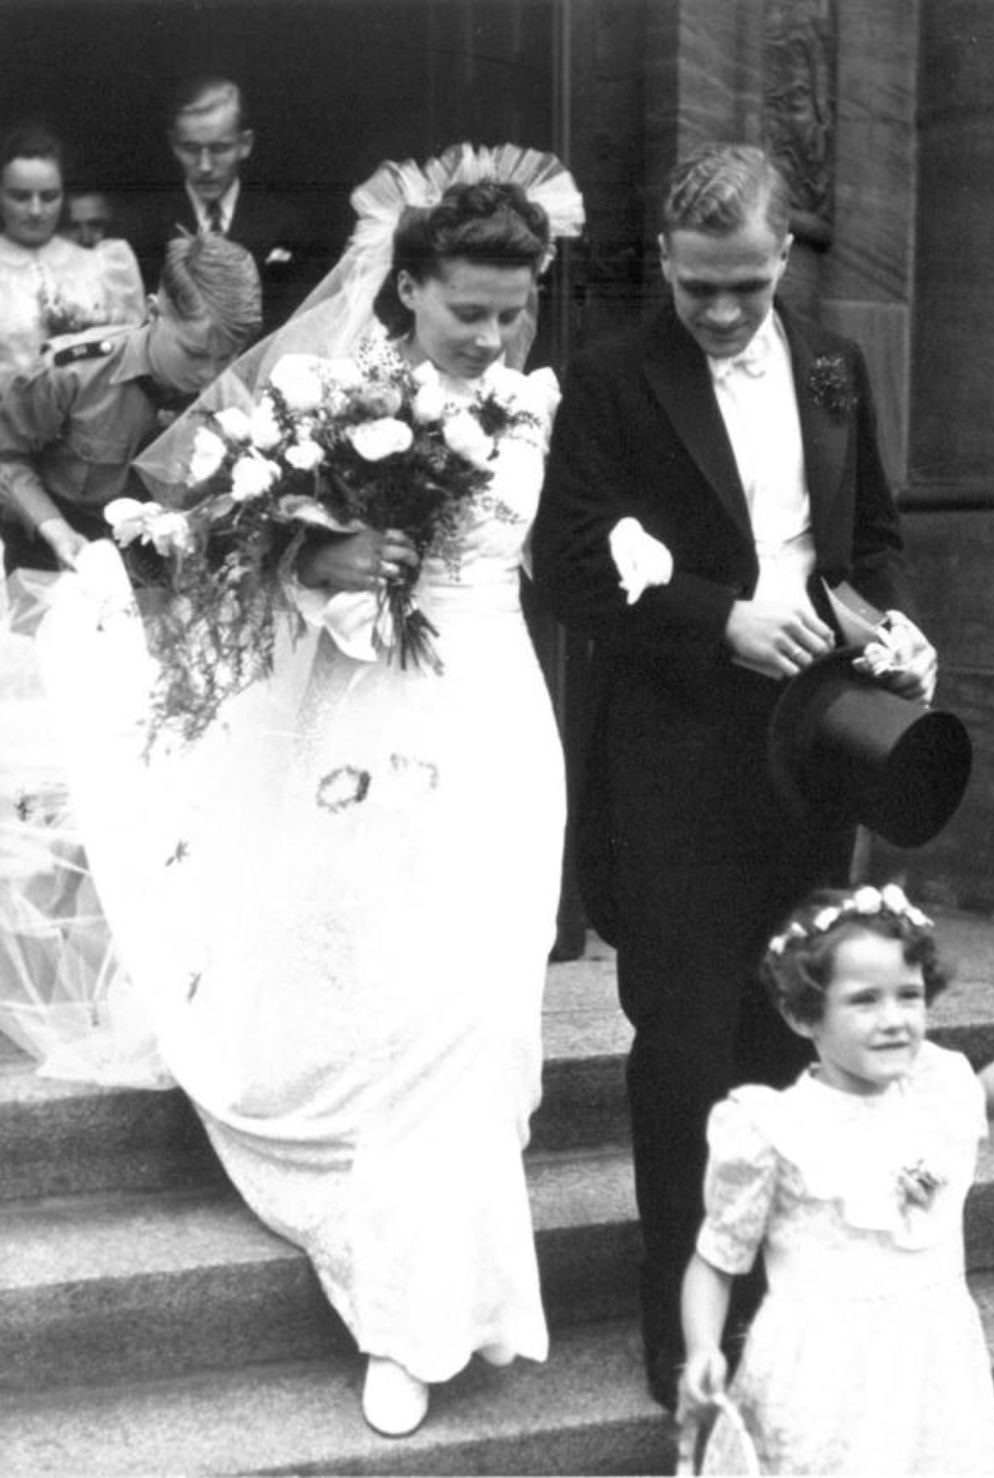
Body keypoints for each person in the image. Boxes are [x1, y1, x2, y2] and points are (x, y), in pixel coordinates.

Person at [6, 145, 584, 1439]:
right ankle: (402, 1314)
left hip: (496, 717)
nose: (494, 337)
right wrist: (329, 551)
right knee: (398, 999)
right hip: (366, 717)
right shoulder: (340, 395)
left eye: (515, 308)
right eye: (468, 310)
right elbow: (248, 555)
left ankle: (456, 1285)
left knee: (484, 1000)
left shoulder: (541, 403)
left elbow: (571, 543)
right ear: (410, 288)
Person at [530, 141, 938, 1407]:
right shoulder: (603, 380)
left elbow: (863, 535)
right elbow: (569, 568)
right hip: (668, 754)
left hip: (814, 750)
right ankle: (680, 1334)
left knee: (788, 1027)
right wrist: (719, 617)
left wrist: (882, 624)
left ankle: (780, 1302)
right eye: (698, 286)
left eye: (745, 288)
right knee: (686, 1043)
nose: (718, 312)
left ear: (784, 263)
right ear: (663, 262)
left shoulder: (832, 362)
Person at [679, 883, 994, 1475]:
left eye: (909, 996)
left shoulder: (935, 1093)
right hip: (821, 1386)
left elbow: (988, 1091)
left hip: (932, 1374)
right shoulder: (774, 1130)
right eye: (864, 1001)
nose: (894, 1020)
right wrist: (703, 1346)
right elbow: (716, 1259)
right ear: (802, 1013)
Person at [0, 230, 262, 573]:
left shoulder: (233, 407)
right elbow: (8, 455)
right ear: (154, 312)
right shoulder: (75, 372)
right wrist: (56, 530)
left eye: (225, 357)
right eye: (194, 353)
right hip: (54, 551)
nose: (208, 374)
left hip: (162, 570)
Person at [135, 76, 319, 332]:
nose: (205, 166)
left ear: (245, 144)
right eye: (191, 148)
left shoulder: (286, 225)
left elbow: (299, 322)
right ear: (174, 145)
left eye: (220, 148)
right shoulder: (144, 226)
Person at [0, 123, 145, 375]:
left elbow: (136, 352)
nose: (35, 211)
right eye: (20, 196)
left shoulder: (101, 263)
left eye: (49, 196)